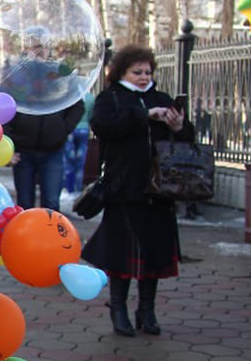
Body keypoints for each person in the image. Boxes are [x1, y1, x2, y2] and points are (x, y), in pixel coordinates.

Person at [81, 44, 193, 337]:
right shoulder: (112, 98)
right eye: (137, 72)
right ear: (122, 72)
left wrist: (179, 126)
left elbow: (187, 138)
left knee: (154, 253)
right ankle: (118, 308)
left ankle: (147, 309)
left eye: (148, 72)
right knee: (122, 252)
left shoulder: (162, 98)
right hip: (124, 187)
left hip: (159, 190)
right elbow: (103, 126)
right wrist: (143, 115)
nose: (144, 77)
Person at [4, 99, 86, 211]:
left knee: (51, 203)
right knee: (24, 203)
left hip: (53, 149)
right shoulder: (21, 84)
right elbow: (6, 107)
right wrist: (10, 142)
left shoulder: (58, 85)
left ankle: (48, 228)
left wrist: (63, 129)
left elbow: (77, 104)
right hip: (23, 149)